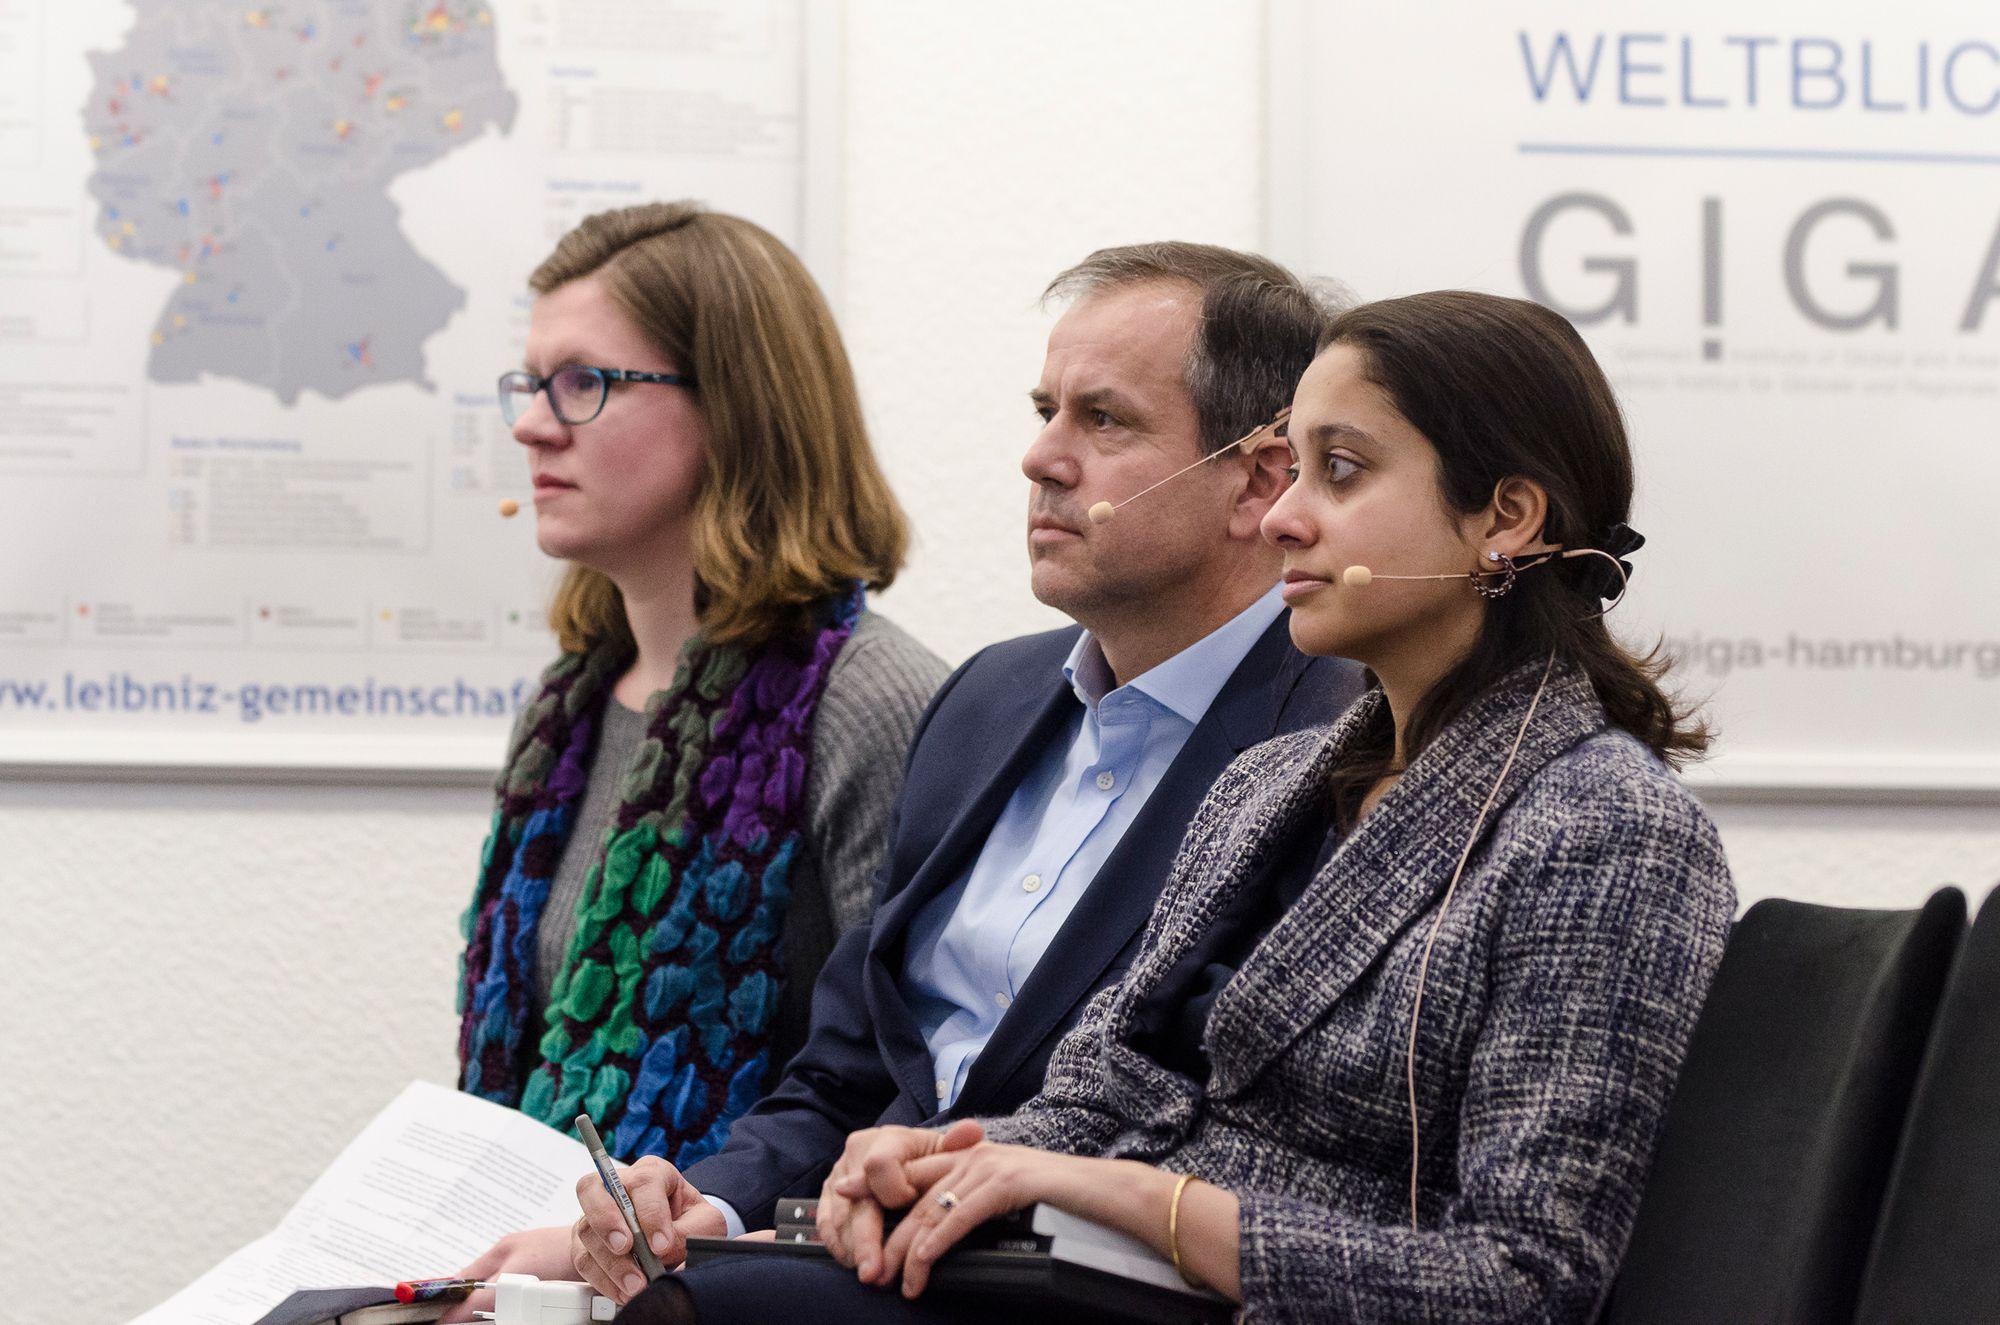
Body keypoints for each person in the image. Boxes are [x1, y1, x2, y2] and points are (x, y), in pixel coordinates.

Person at [610, 290, 1738, 1323]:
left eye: (1340, 471)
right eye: (1290, 470)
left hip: (1229, 1300)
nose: (1284, 516)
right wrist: (940, 1161)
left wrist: (1142, 1202)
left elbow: (1526, 1283)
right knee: (680, 1294)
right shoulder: (1270, 784)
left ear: (1508, 516)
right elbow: (1097, 1094)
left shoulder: (1609, 829)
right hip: (1093, 1279)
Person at [450, 244, 1367, 1314]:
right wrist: (713, 1204)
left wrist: (859, 1209)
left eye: (1103, 420)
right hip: (871, 1253)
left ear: (1258, 480)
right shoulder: (989, 698)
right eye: (1045, 411)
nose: (1040, 457)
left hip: (1077, 1279)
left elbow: (1239, 1118)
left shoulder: (1345, 742)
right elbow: (842, 1071)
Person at [456, 201, 948, 1171]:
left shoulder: (870, 702)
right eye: (532, 383)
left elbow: (913, 1088)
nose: (532, 426)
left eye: (583, 382)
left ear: (734, 406)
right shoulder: (569, 707)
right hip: (556, 1243)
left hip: (745, 1251)